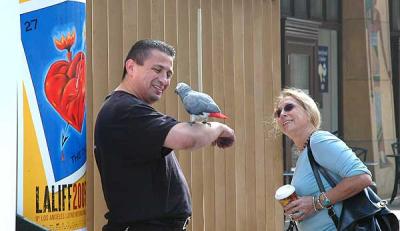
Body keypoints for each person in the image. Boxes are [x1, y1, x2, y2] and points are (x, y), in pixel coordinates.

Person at [94, 39, 235, 231]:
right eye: (157, 70)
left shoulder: (127, 109)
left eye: (169, 74)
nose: (165, 80)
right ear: (131, 67)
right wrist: (219, 128)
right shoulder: (125, 110)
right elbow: (187, 138)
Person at [273, 88, 372, 230]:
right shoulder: (305, 152)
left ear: (308, 111)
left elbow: (362, 177)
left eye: (289, 107)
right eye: (278, 112)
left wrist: (316, 203)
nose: (282, 114)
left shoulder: (318, 141)